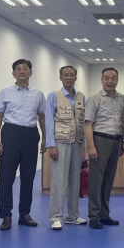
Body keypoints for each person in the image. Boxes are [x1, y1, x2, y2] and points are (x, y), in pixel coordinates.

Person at [0, 59, 46, 230]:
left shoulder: (38, 94)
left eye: (25, 68)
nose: (22, 71)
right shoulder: (5, 92)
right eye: (18, 69)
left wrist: (45, 138)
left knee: (28, 177)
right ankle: (6, 215)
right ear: (13, 73)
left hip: (30, 134)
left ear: (31, 72)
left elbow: (42, 117)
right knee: (6, 177)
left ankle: (24, 214)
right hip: (11, 134)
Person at [44, 66, 87, 230]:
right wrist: (51, 145)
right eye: (66, 75)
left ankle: (72, 215)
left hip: (77, 142)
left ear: (76, 77)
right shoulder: (53, 95)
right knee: (59, 181)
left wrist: (84, 147)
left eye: (72, 75)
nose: (69, 78)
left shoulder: (81, 97)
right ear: (60, 77)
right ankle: (55, 217)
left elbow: (83, 123)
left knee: (76, 180)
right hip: (60, 142)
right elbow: (49, 121)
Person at [85, 67, 124, 229]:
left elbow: (122, 122)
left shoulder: (121, 99)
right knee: (96, 180)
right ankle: (94, 215)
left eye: (113, 78)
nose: (110, 81)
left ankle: (104, 213)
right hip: (100, 140)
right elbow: (88, 124)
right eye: (107, 78)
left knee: (108, 180)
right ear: (101, 80)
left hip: (116, 141)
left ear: (117, 80)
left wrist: (122, 141)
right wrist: (91, 146)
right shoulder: (94, 99)